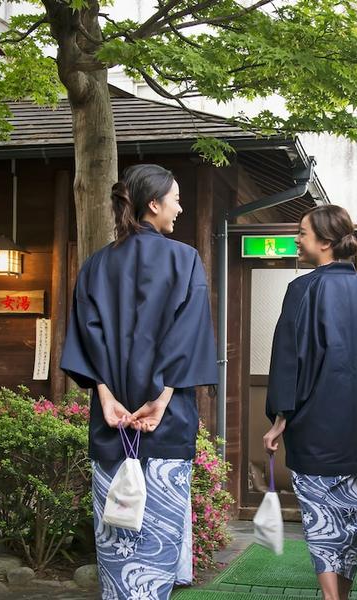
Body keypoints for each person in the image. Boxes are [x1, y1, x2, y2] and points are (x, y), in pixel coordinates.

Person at [60, 164, 218, 600]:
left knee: (119, 548)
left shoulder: (95, 265)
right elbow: (189, 334)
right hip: (165, 425)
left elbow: (86, 336)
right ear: (154, 204)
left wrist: (106, 397)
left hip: (112, 425)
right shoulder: (184, 259)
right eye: (176, 199)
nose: (180, 208)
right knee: (158, 545)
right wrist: (163, 398)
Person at [263, 204, 357, 600]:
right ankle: (343, 595)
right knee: (351, 515)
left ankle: (330, 597)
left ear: (324, 242)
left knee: (321, 517)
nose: (296, 240)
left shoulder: (303, 289)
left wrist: (279, 419)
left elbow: (289, 360)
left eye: (301, 233)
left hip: (316, 425)